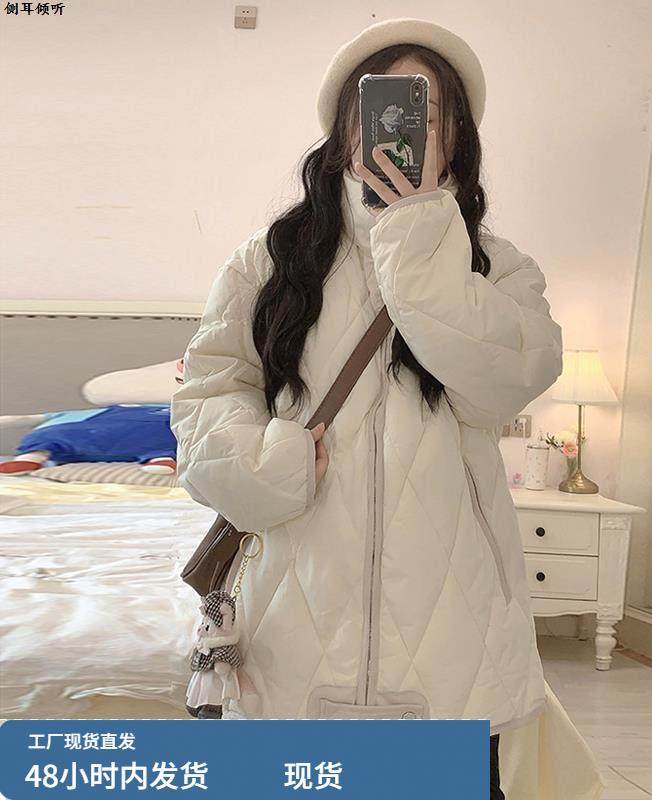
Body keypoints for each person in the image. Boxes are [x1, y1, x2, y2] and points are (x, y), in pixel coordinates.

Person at [170, 18, 563, 799]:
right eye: (383, 107)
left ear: (456, 137)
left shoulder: (497, 269)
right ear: (346, 129)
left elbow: (507, 382)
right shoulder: (268, 262)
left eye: (429, 112)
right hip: (293, 610)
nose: (405, 130)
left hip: (454, 624)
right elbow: (208, 397)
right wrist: (271, 463)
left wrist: (417, 240)